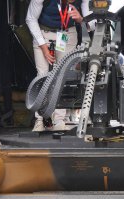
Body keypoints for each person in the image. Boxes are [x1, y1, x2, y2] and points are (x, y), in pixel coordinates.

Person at [26, 0, 92, 131]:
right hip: (43, 34)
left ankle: (59, 120)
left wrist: (81, 19)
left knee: (62, 76)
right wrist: (43, 46)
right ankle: (39, 119)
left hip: (66, 35)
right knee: (42, 76)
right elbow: (30, 18)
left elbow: (93, 24)